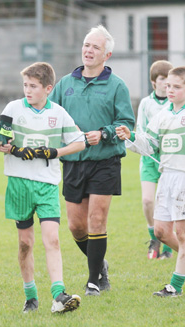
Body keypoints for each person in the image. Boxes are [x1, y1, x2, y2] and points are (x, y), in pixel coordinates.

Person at [116, 66, 185, 297]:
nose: (170, 90)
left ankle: (175, 287)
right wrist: (130, 136)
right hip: (166, 178)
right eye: (168, 85)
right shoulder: (163, 114)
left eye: (176, 86)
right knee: (161, 232)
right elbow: (149, 146)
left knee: (183, 234)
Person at [49, 25, 135, 296]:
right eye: (87, 45)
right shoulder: (65, 83)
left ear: (106, 54)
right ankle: (100, 265)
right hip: (73, 162)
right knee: (76, 226)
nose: (88, 50)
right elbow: (49, 115)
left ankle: (93, 282)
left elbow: (125, 124)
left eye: (95, 47)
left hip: (105, 161)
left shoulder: (117, 85)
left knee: (97, 220)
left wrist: (105, 132)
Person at [0, 62, 83, 313]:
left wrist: (55, 152)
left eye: (33, 86)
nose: (28, 90)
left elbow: (80, 142)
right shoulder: (13, 108)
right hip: (19, 184)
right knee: (25, 244)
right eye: (25, 85)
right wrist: (4, 143)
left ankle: (58, 295)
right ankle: (31, 296)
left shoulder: (59, 113)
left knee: (52, 239)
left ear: (48, 88)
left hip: (48, 185)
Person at [135, 60, 174, 260]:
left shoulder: (174, 103)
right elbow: (140, 129)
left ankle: (167, 245)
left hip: (169, 158)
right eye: (162, 80)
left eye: (170, 81)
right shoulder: (146, 103)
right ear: (153, 82)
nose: (166, 84)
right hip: (149, 158)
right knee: (148, 200)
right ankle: (154, 237)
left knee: (166, 202)